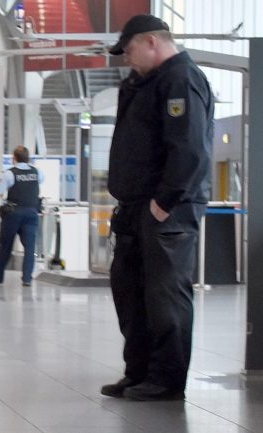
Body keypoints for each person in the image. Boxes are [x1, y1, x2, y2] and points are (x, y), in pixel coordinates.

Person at [101, 15, 214, 402]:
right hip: (134, 207)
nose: (127, 58)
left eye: (129, 49)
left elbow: (190, 149)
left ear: (151, 41)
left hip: (167, 209)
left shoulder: (180, 79)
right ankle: (139, 372)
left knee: (164, 297)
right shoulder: (143, 83)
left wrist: (163, 203)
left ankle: (166, 379)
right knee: (130, 293)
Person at [0, 145, 43, 287]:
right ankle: (27, 279)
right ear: (28, 158)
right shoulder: (37, 172)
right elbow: (37, 184)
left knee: (6, 245)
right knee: (30, 248)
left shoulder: (9, 174)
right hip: (31, 213)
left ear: (14, 158)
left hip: (13, 214)